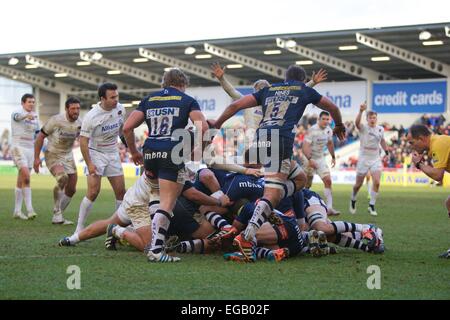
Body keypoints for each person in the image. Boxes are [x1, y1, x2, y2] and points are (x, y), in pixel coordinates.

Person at [209, 65, 345, 261]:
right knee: (271, 195)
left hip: (260, 141)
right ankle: (248, 235)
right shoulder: (302, 90)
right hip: (279, 141)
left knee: (299, 179)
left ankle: (269, 204)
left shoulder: (269, 91)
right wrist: (339, 124)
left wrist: (218, 123)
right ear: (302, 79)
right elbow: (333, 107)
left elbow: (234, 105)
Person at [123, 68, 209, 262]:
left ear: (164, 83)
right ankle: (156, 249)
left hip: (150, 151)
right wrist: (199, 149)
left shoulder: (149, 99)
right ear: (183, 84)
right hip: (172, 151)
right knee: (167, 203)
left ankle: (154, 240)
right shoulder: (187, 100)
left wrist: (134, 152)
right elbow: (203, 126)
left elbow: (127, 127)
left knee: (156, 195)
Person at [74, 83, 126, 233]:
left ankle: (118, 228)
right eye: (112, 97)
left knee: (121, 192)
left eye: (117, 96)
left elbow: (122, 130)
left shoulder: (120, 109)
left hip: (113, 153)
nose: (116, 100)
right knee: (93, 192)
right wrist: (89, 163)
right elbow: (83, 141)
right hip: (96, 153)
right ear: (102, 99)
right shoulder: (91, 116)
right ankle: (79, 227)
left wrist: (129, 146)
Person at [33, 97, 82, 224]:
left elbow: (83, 140)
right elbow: (40, 137)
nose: (76, 111)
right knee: (62, 178)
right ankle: (57, 213)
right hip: (53, 154)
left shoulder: (79, 123)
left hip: (68, 156)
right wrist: (36, 158)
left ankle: (58, 215)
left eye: (78, 108)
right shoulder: (56, 120)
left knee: (72, 189)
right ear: (66, 109)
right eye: (73, 108)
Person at [407, 124, 450, 258]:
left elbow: (438, 176)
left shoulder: (438, 143)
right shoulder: (435, 144)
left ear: (421, 139)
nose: (411, 146)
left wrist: (419, 164)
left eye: (412, 142)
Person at [349, 102, 389, 216]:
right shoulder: (363, 128)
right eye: (370, 117)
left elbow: (382, 140)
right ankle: (353, 198)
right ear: (367, 119)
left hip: (375, 158)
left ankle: (371, 205)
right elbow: (356, 123)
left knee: (376, 182)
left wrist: (386, 151)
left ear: (376, 119)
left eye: (374, 117)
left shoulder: (380, 129)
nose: (373, 119)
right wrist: (361, 111)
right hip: (363, 158)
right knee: (358, 185)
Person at [302, 111, 340, 215]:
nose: (326, 121)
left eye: (327, 119)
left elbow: (330, 143)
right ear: (319, 119)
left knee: (328, 181)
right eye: (323, 119)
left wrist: (333, 156)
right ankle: (302, 205)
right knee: (307, 184)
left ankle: (329, 208)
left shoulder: (328, 131)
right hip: (309, 159)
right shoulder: (312, 130)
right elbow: (305, 146)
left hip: (320, 158)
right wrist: (310, 159)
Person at [10, 93, 40, 220]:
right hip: (18, 147)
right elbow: (17, 117)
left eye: (33, 102)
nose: (32, 104)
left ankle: (17, 211)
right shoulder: (17, 112)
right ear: (23, 103)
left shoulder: (36, 117)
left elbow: (39, 134)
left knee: (22, 179)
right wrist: (26, 115)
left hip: (30, 149)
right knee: (26, 177)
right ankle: (30, 209)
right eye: (29, 102)